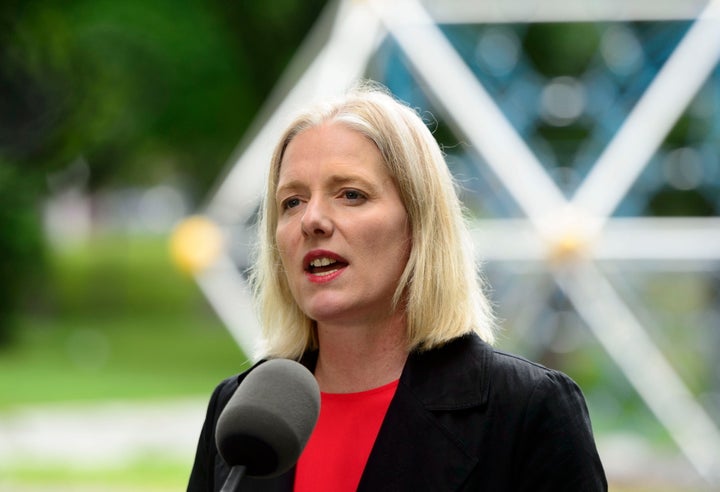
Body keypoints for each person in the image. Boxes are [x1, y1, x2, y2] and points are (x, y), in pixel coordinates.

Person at [187, 82, 607, 491]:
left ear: (419, 223)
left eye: (350, 194)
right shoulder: (238, 409)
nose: (311, 219)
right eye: (291, 201)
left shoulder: (527, 409)